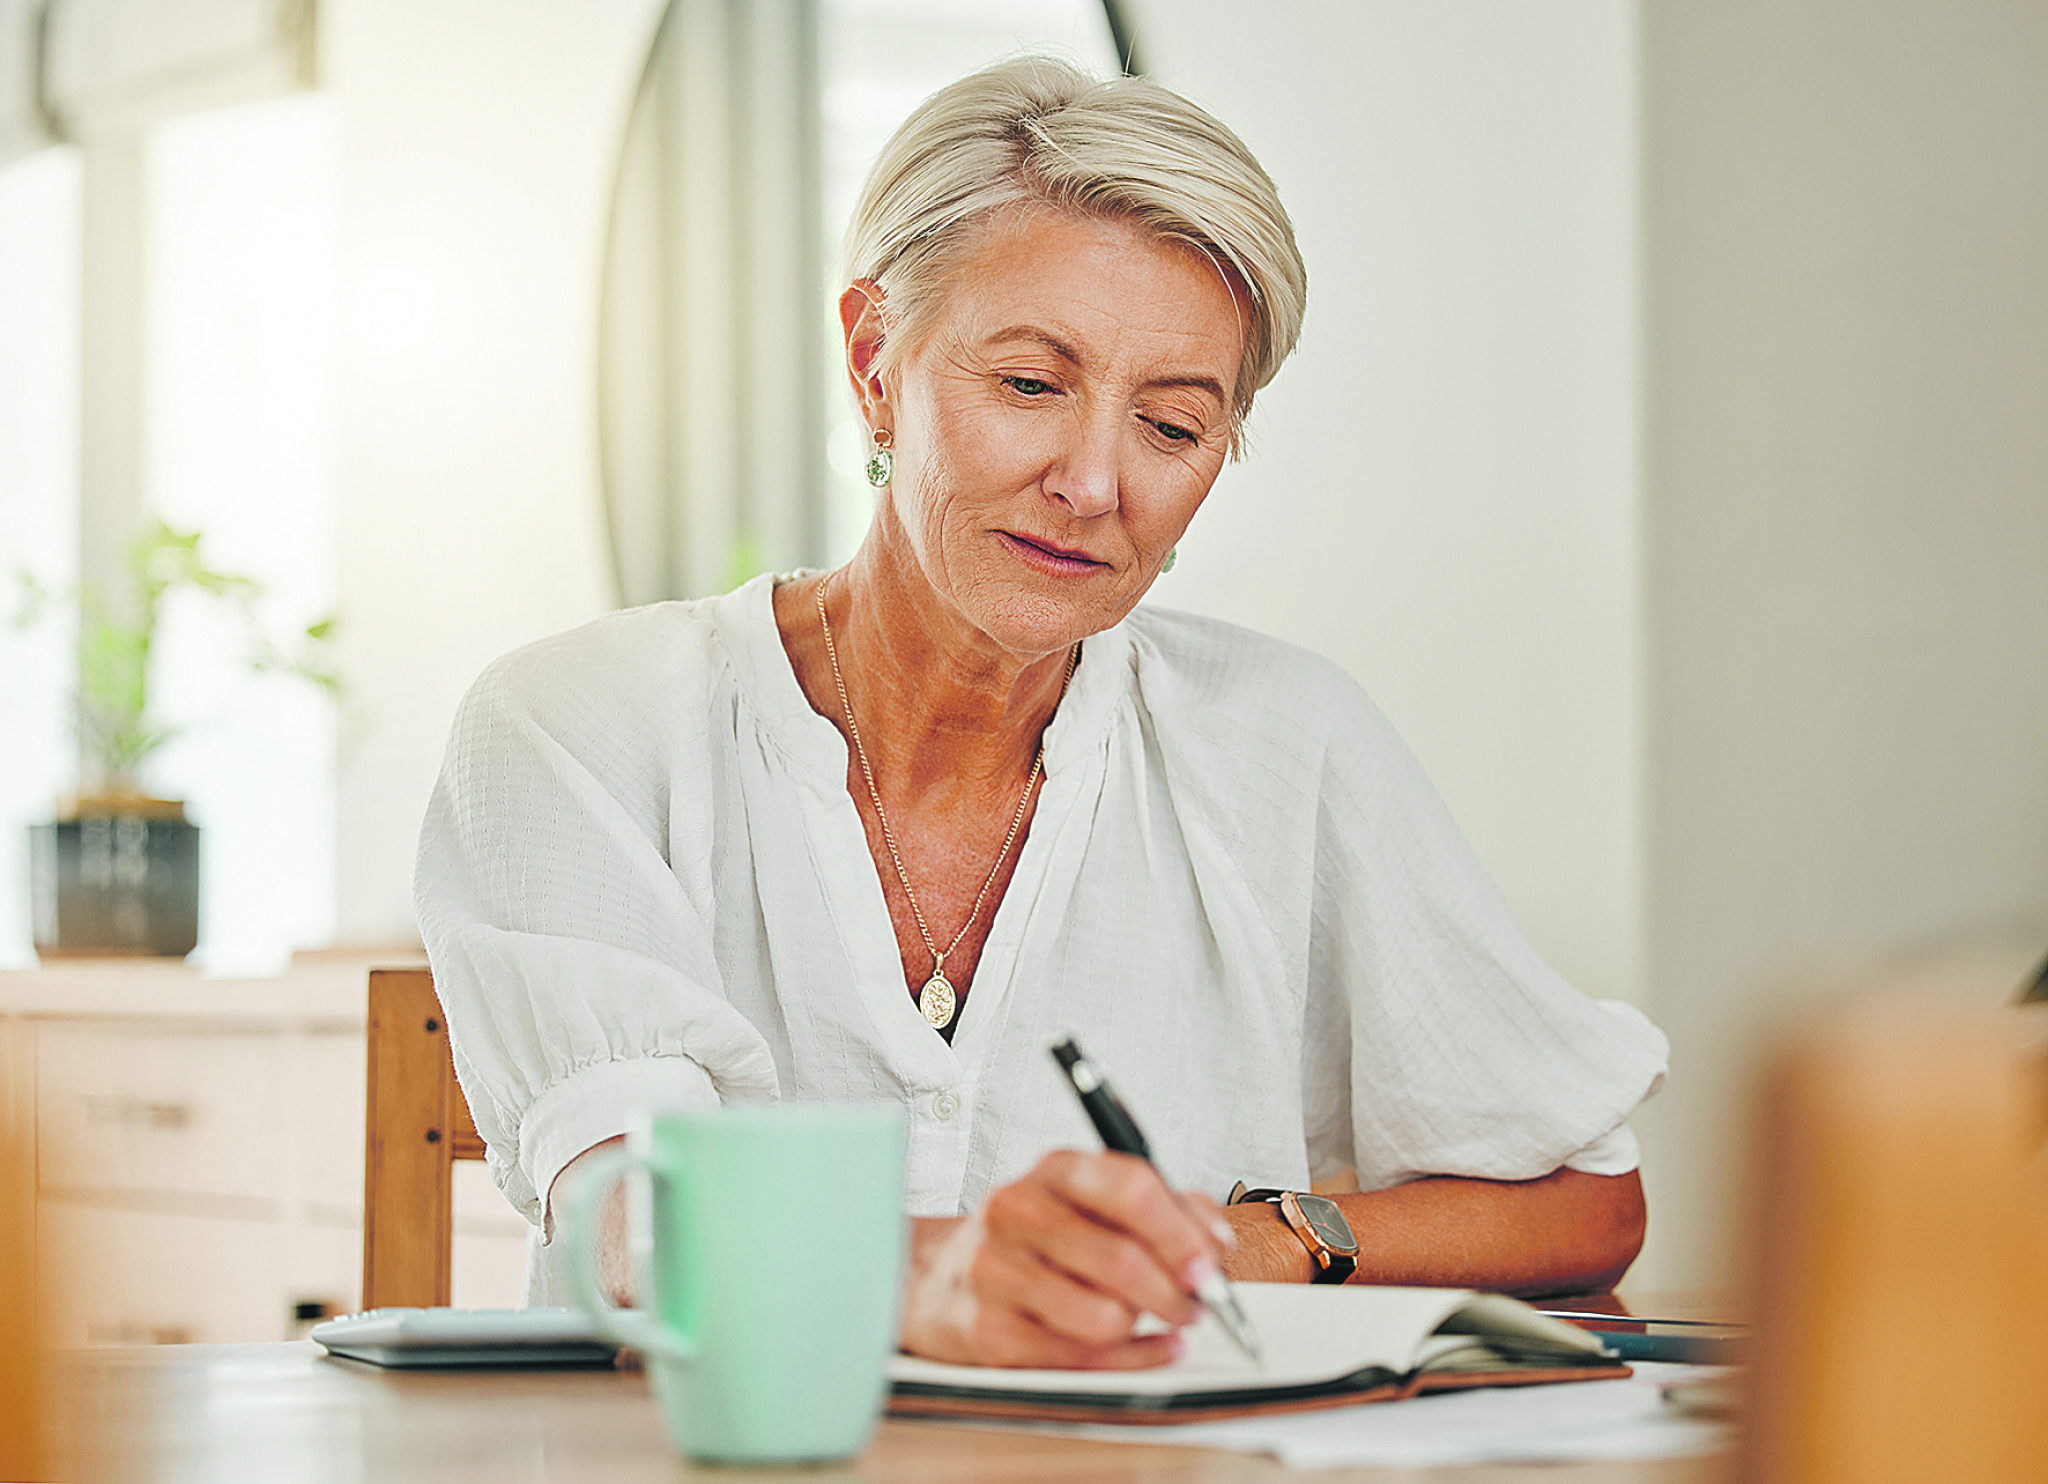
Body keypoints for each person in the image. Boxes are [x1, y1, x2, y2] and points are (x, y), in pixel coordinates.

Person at [415, 56, 1667, 1371]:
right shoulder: (575, 725)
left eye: (1175, 426)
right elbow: (631, 1226)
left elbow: (1586, 1200)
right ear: (873, 361)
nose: (1093, 481)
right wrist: (951, 1278)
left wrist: (1267, 1237)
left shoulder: (1289, 739)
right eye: (1028, 385)